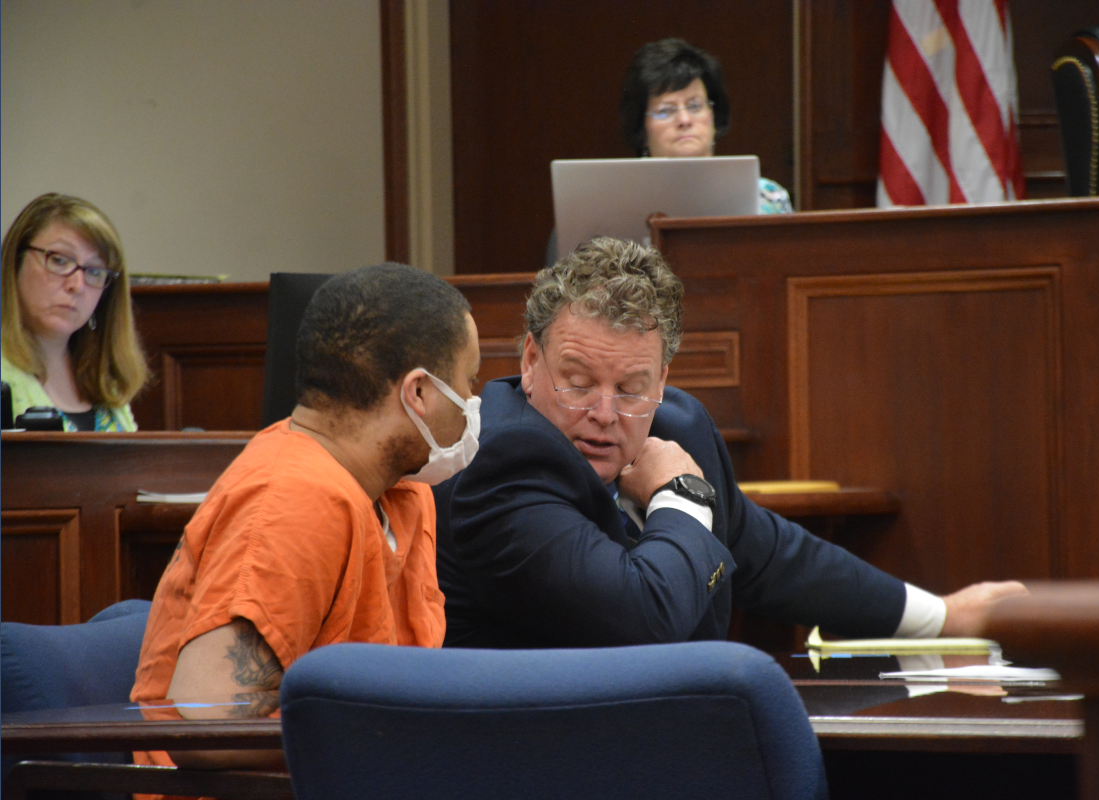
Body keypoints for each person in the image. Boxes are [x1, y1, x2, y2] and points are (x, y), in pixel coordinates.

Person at [434, 237, 1025, 648]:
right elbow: (645, 616)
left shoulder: (678, 427)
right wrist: (682, 494)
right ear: (530, 362)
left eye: (632, 388)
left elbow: (770, 556)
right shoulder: (501, 463)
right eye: (579, 383)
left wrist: (946, 615)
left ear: (662, 381)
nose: (605, 414)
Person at [131, 263, 481, 773]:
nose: (473, 402)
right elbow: (207, 728)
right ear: (419, 394)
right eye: (469, 380)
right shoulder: (294, 500)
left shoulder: (402, 491)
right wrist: (396, 734)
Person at [0, 193, 148, 431]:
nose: (77, 285)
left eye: (94, 271)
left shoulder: (103, 382)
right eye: (59, 261)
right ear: (15, 262)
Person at [619, 37, 795, 214]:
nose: (684, 120)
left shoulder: (768, 198)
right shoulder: (620, 204)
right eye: (665, 111)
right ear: (642, 129)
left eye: (695, 106)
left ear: (714, 116)